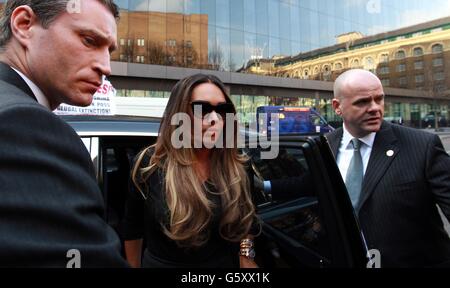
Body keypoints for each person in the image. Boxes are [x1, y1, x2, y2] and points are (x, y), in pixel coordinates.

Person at [0, 0, 127, 267]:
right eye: (90, 41)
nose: (106, 67)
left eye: (109, 51)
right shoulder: (24, 124)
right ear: (24, 25)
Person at [122, 74, 261, 268]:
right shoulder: (149, 164)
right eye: (202, 109)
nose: (215, 119)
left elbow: (248, 220)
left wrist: (246, 256)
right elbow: (132, 228)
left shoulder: (238, 164)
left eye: (222, 110)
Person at [327, 69, 450, 267]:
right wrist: (264, 186)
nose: (375, 108)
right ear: (337, 107)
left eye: (379, 99)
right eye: (363, 102)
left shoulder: (423, 145)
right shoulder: (326, 145)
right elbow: (306, 184)